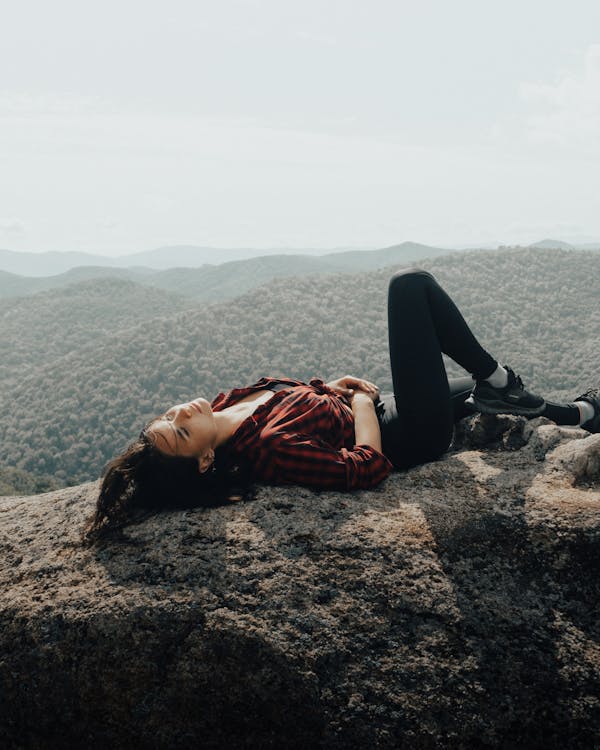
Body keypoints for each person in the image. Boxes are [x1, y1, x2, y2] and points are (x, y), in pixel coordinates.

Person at [85, 269, 599, 542]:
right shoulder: (268, 449)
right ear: (202, 461)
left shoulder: (228, 403)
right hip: (411, 431)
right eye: (178, 432)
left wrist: (328, 386)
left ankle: (574, 414)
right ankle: (502, 381)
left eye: (167, 416)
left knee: (475, 392)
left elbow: (297, 401)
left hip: (391, 407)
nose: (180, 415)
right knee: (410, 287)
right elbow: (367, 466)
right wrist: (358, 403)